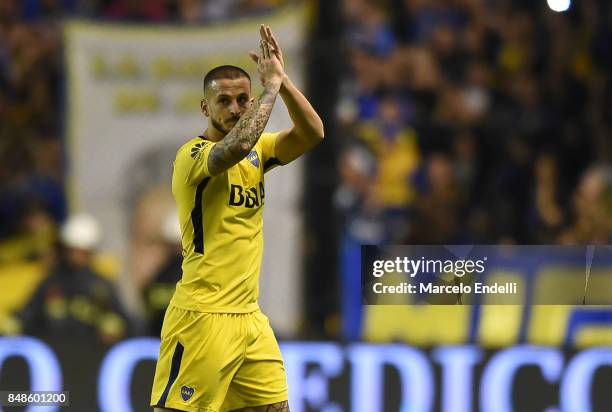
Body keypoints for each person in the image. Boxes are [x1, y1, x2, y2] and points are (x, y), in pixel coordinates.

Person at [151, 24, 324, 412]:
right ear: (204, 107)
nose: (234, 108)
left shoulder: (258, 153)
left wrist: (283, 79)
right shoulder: (191, 157)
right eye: (224, 101)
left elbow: (313, 132)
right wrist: (269, 90)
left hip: (249, 317)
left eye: (242, 100)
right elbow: (238, 144)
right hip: (202, 316)